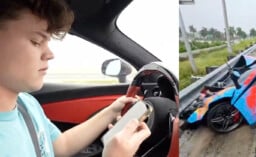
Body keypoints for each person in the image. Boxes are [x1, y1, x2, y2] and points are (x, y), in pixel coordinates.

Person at [0, 0, 151, 157]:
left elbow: (60, 146)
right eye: (36, 41)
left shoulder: (26, 103)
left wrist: (112, 111)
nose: (50, 54)